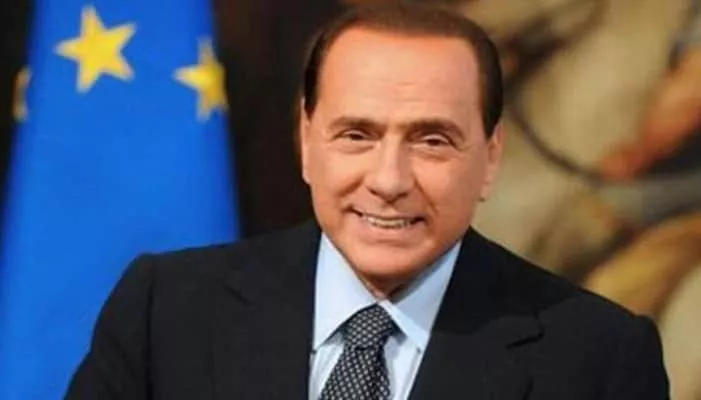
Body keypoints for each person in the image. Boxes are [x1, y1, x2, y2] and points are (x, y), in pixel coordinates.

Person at [65, 4, 669, 399]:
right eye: (357, 135)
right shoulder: (166, 312)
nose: (388, 179)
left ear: (490, 158)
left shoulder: (599, 359)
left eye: (432, 141)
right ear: (307, 143)